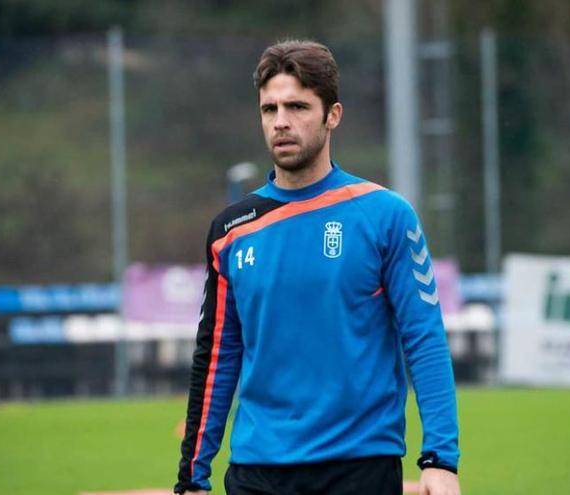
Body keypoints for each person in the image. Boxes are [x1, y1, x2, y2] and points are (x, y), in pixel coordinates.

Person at [174, 39, 461, 495]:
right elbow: (216, 358)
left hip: (359, 469)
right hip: (257, 473)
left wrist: (441, 458)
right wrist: (193, 476)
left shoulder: (386, 215)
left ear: (333, 115)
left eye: (297, 106)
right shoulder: (231, 231)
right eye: (269, 109)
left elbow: (423, 336)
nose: (281, 121)